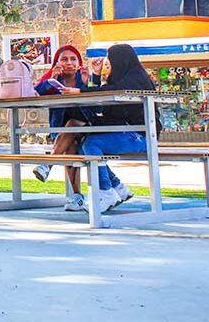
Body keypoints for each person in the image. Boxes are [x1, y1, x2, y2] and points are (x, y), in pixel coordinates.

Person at [76, 43, 161, 211]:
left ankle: (106, 192)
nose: (108, 63)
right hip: (128, 133)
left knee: (92, 144)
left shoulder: (136, 78)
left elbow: (113, 90)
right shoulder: (121, 78)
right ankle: (118, 187)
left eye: (111, 59)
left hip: (141, 136)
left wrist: (80, 92)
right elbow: (101, 100)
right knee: (82, 148)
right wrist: (96, 75)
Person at [31, 44, 103, 211]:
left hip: (88, 127)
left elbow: (98, 107)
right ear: (57, 62)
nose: (69, 63)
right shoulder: (54, 80)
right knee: (70, 145)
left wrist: (85, 85)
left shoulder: (85, 77)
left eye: (73, 59)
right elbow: (37, 93)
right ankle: (77, 197)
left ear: (79, 62)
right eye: (64, 59)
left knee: (72, 125)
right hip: (63, 133)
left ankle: (48, 165)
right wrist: (51, 79)